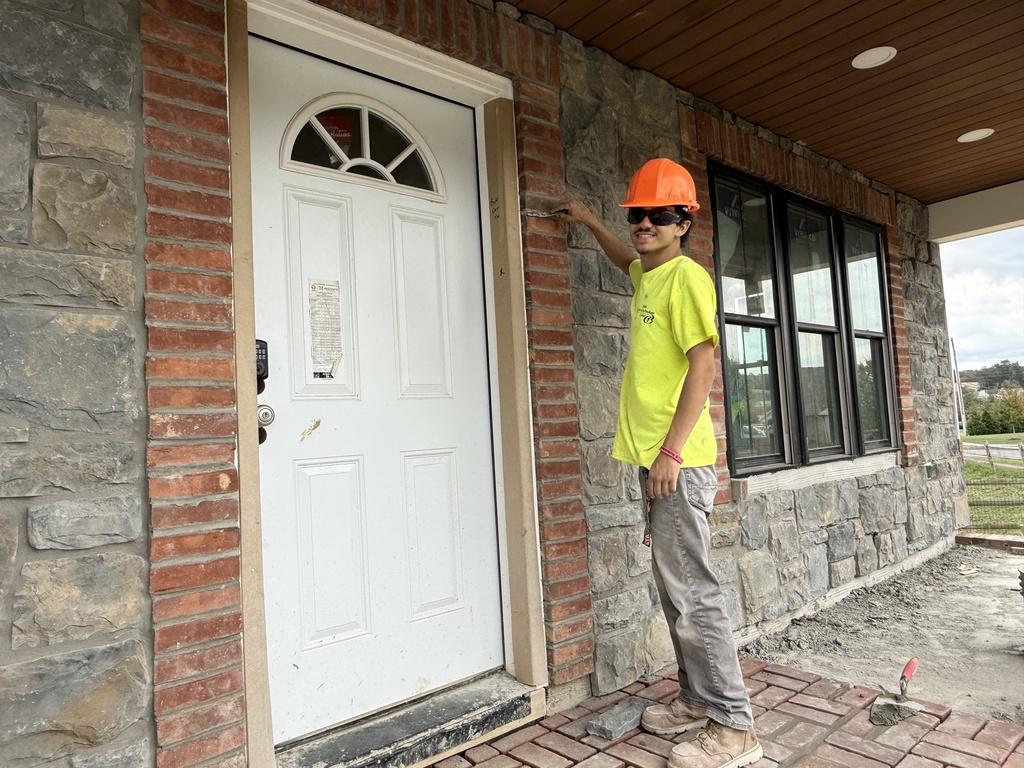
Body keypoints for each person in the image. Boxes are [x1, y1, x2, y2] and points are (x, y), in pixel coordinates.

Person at [552, 158, 762, 768]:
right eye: (636, 214)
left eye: (658, 215)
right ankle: (698, 700)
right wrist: (591, 219)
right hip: (657, 461)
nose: (644, 223)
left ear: (683, 222)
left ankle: (735, 725)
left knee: (695, 593)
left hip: (679, 461)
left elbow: (703, 366)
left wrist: (669, 453)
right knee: (675, 591)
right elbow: (626, 260)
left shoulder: (689, 280)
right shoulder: (651, 273)